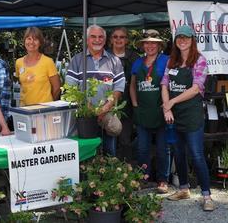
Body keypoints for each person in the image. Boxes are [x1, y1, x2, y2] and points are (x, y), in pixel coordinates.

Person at [161, 25, 214, 211]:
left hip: (192, 116)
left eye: (186, 38)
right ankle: (184, 189)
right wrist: (167, 109)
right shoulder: (171, 61)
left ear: (192, 40)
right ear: (175, 41)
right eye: (179, 38)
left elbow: (196, 88)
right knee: (178, 153)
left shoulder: (199, 60)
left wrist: (171, 103)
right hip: (174, 116)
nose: (182, 41)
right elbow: (164, 85)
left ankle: (207, 196)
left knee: (197, 155)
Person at [66, 25, 125, 156]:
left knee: (110, 149)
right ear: (87, 39)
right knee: (87, 152)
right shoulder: (77, 60)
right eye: (93, 36)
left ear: (105, 40)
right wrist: (90, 109)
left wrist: (106, 107)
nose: (97, 40)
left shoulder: (114, 61)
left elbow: (119, 88)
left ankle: (110, 172)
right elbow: (71, 88)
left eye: (100, 37)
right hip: (84, 115)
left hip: (106, 112)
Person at [130, 31, 170, 194]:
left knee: (163, 149)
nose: (150, 45)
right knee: (142, 148)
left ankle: (162, 180)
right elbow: (132, 85)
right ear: (143, 45)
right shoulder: (137, 63)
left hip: (161, 112)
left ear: (159, 45)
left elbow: (170, 85)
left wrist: (168, 106)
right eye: (147, 43)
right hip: (143, 112)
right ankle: (143, 178)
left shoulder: (166, 61)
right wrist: (135, 104)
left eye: (154, 42)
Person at [108, 27, 139, 161]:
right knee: (108, 140)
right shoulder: (104, 55)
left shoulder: (134, 57)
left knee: (125, 140)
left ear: (126, 40)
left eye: (122, 37)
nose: (118, 39)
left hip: (126, 105)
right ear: (111, 40)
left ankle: (125, 171)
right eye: (115, 37)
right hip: (106, 104)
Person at [15, 27, 60, 106]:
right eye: (29, 39)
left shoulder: (48, 62)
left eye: (35, 39)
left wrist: (48, 104)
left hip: (44, 111)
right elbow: (20, 86)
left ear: (40, 43)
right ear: (24, 41)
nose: (31, 42)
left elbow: (56, 88)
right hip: (25, 110)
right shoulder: (19, 62)